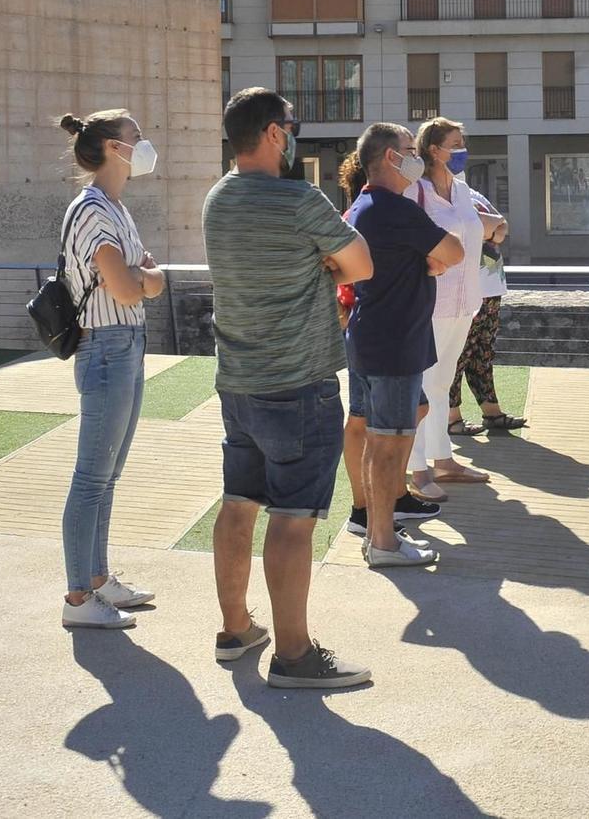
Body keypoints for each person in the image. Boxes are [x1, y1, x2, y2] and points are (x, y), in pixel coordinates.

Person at [204, 89, 373, 690]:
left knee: (238, 502)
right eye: (292, 127)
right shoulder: (300, 199)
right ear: (275, 134)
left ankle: (235, 629)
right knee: (294, 519)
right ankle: (295, 657)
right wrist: (321, 262)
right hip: (299, 386)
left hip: (238, 382)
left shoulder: (216, 199)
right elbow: (361, 266)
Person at [56, 110, 167, 630]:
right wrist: (147, 277)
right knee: (91, 477)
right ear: (110, 148)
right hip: (107, 346)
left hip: (125, 344)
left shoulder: (115, 208)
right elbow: (129, 286)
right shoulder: (94, 210)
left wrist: (144, 276)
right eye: (135, 137)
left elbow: (141, 276)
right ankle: (79, 599)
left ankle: (98, 580)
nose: (143, 144)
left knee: (107, 475)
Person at [340, 123, 464, 568]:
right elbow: (454, 252)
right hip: (393, 340)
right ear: (391, 157)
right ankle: (382, 541)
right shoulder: (394, 208)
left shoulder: (362, 207)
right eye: (411, 151)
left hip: (375, 335)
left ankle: (378, 531)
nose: (418, 159)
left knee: (385, 434)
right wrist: (429, 262)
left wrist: (426, 261)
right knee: (390, 442)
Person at [406, 118, 497, 498]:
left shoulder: (462, 191)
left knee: (442, 383)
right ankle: (417, 467)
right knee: (422, 386)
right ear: (433, 150)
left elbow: (484, 231)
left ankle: (443, 460)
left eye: (463, 143)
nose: (462, 150)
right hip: (430, 303)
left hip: (464, 303)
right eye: (455, 144)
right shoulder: (416, 192)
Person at [447, 182, 525, 436]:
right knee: (459, 353)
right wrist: (489, 229)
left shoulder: (470, 192)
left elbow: (502, 226)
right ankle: (451, 417)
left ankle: (491, 411)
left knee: (483, 352)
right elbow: (467, 229)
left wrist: (488, 230)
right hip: (467, 288)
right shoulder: (442, 195)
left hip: (491, 287)